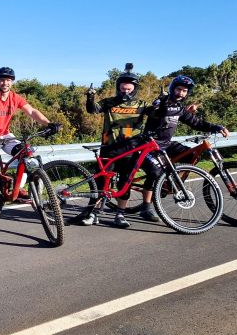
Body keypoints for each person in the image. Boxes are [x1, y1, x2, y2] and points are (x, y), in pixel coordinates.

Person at [0, 67, 60, 230]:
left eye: (8, 80)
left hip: (6, 135)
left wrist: (49, 123)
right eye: (2, 80)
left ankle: (18, 188)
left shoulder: (15, 97)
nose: (5, 83)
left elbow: (31, 111)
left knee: (25, 154)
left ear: (12, 82)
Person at [136, 75, 229, 221]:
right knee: (156, 172)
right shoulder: (162, 102)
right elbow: (156, 111)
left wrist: (217, 127)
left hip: (166, 145)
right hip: (149, 146)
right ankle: (146, 206)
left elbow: (196, 123)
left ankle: (171, 183)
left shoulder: (179, 108)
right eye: (179, 89)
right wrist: (166, 105)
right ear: (172, 89)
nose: (181, 93)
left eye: (185, 91)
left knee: (192, 155)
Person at [85, 63, 150, 228]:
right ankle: (94, 213)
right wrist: (90, 98)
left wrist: (163, 102)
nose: (125, 92)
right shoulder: (109, 102)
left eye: (129, 89)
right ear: (118, 88)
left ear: (134, 89)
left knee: (124, 183)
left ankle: (120, 214)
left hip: (130, 149)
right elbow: (93, 110)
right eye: (122, 89)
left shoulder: (141, 105)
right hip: (109, 147)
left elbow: (158, 114)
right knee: (101, 183)